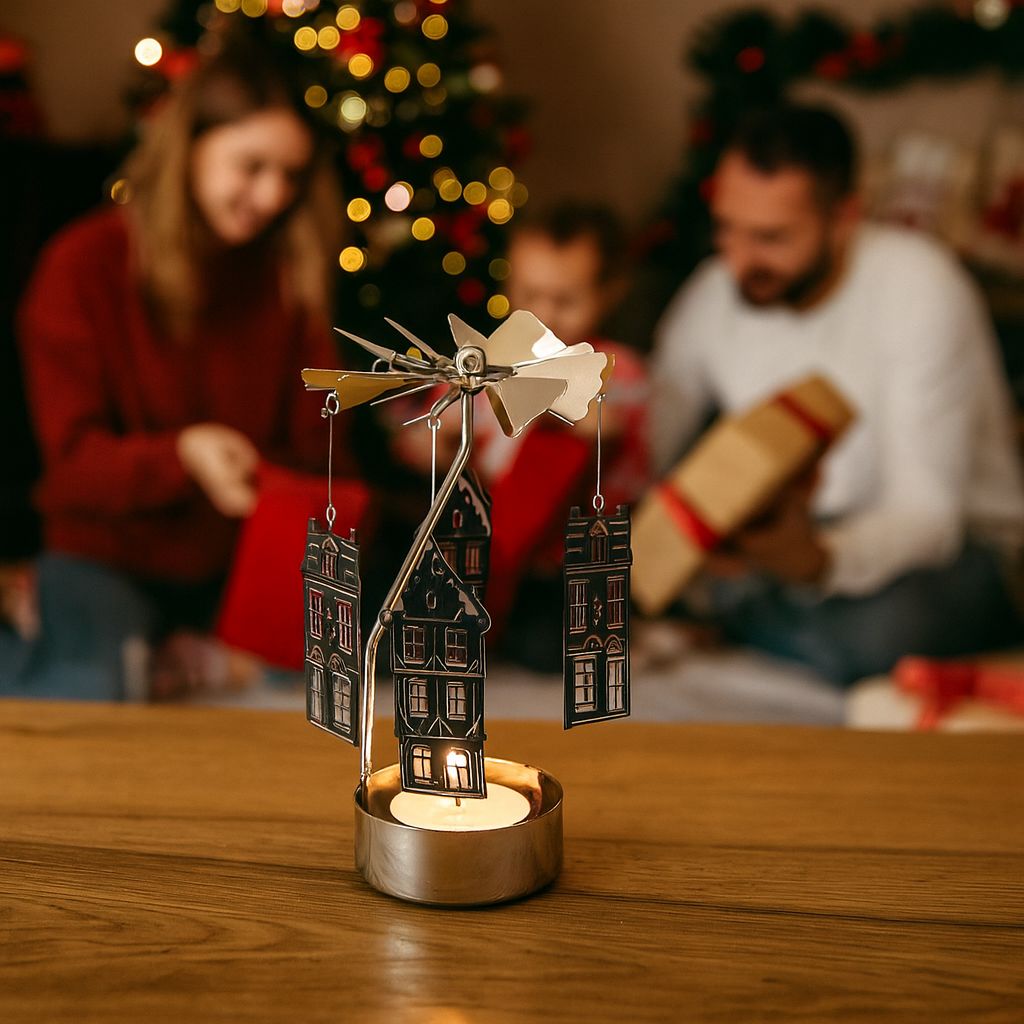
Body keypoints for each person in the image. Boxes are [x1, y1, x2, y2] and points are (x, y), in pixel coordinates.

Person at [2, 31, 351, 700]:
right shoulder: (82, 267)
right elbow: (72, 469)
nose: (274, 195)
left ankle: (185, 656)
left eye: (292, 175)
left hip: (236, 557)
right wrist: (185, 457)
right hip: (106, 549)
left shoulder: (288, 274)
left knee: (371, 648)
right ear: (190, 146)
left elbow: (320, 457)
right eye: (250, 166)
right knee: (88, 687)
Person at [652, 103, 1024, 685]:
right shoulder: (716, 290)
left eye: (770, 237)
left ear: (845, 216)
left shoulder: (921, 289)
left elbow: (929, 517)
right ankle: (756, 607)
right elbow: (654, 434)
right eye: (726, 227)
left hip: (957, 548)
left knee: (880, 636)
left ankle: (745, 614)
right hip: (800, 538)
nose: (738, 260)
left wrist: (816, 561)